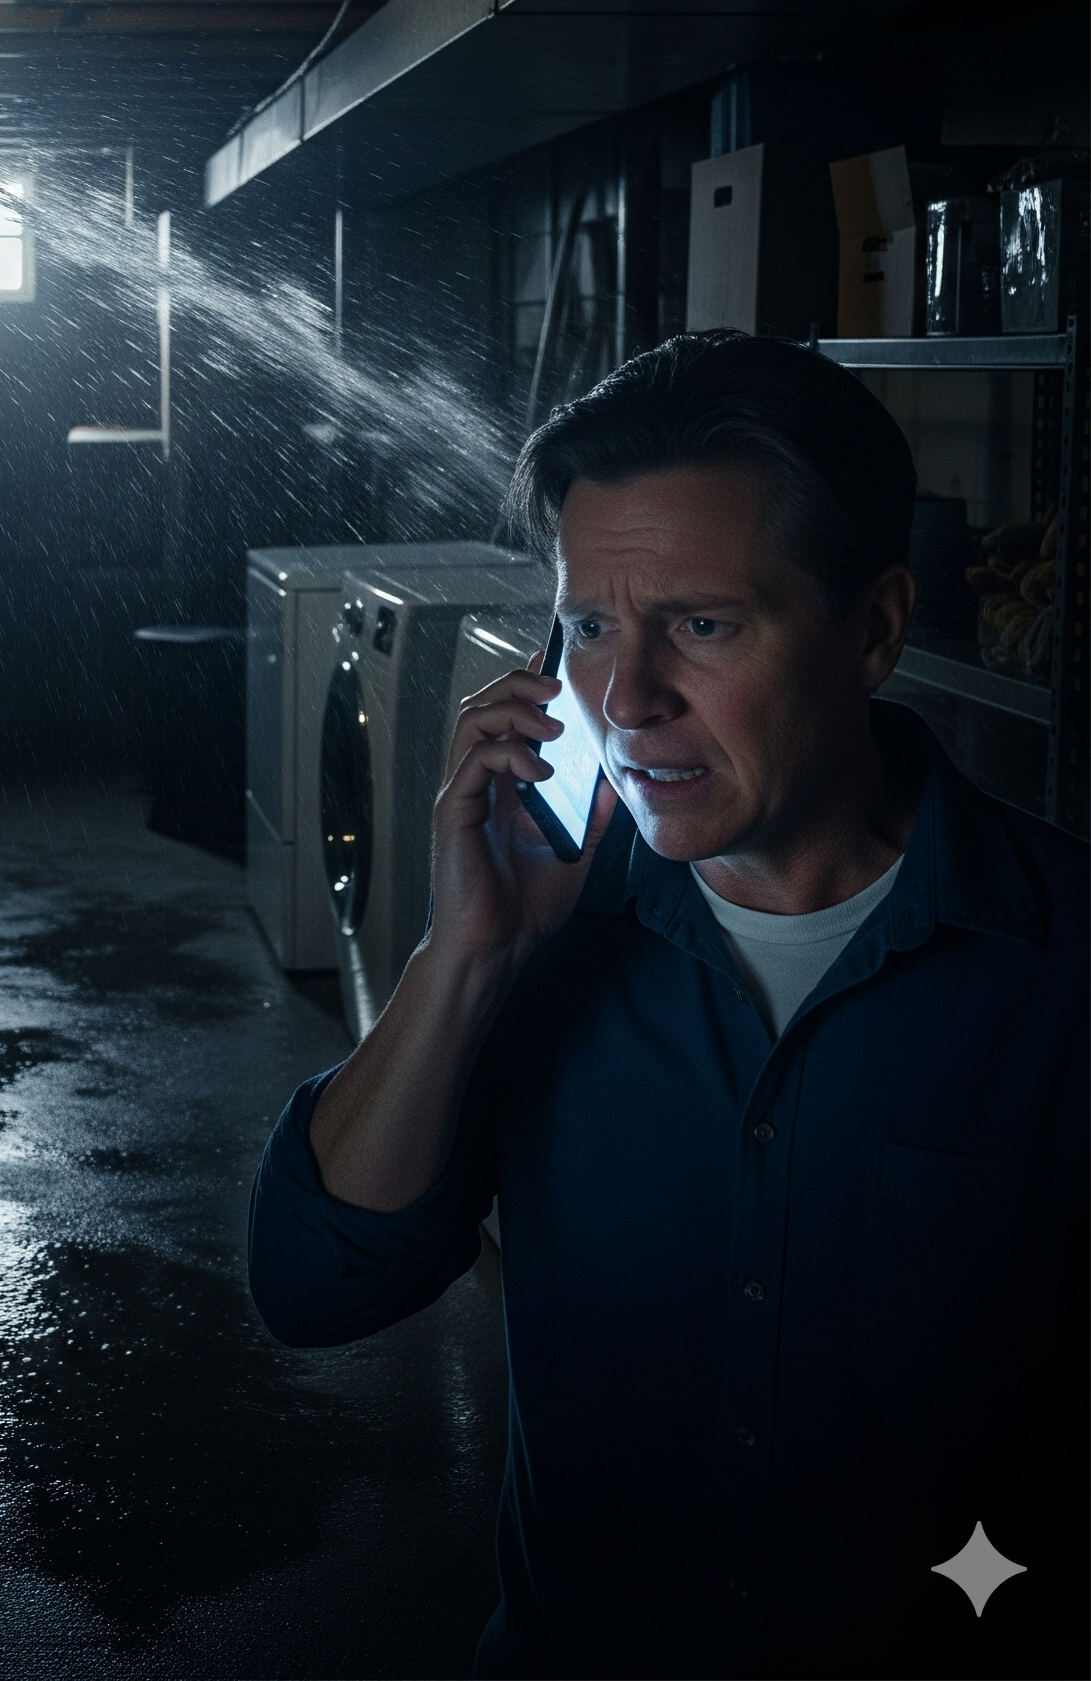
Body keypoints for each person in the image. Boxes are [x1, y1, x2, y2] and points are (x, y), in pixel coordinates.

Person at [248, 331, 1086, 1679]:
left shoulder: (1063, 969)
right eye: (588, 628)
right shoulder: (546, 928)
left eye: (702, 625)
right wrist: (462, 955)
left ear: (874, 628)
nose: (625, 699)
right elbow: (311, 1285)